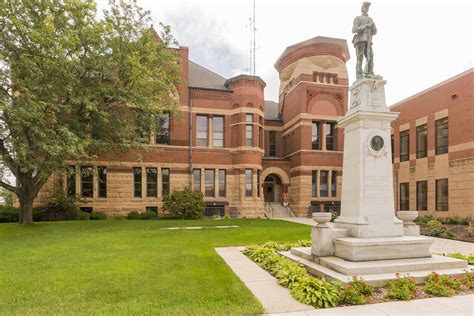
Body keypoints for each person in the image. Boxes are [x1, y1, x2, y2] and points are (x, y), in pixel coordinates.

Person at [352, 2, 377, 79]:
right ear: (362, 8)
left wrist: (373, 26)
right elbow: (354, 29)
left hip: (369, 41)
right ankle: (359, 74)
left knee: (371, 56)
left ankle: (370, 72)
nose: (366, 8)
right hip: (360, 40)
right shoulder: (358, 18)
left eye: (367, 7)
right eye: (365, 6)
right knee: (360, 57)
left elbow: (375, 32)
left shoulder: (370, 19)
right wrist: (366, 26)